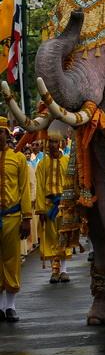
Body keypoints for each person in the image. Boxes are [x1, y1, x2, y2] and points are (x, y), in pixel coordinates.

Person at [0, 117, 30, 321]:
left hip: (12, 217)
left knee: (11, 261)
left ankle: (10, 306)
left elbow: (24, 189)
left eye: (0, 132)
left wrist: (26, 218)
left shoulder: (18, 158)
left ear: (6, 134)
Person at [34, 139, 71, 283]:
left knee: (64, 237)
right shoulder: (42, 163)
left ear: (60, 143)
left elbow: (72, 184)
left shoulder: (67, 161)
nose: (52, 145)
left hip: (65, 205)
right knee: (50, 238)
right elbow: (39, 187)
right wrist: (41, 209)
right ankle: (54, 271)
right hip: (49, 206)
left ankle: (64, 270)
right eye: (50, 142)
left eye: (55, 142)